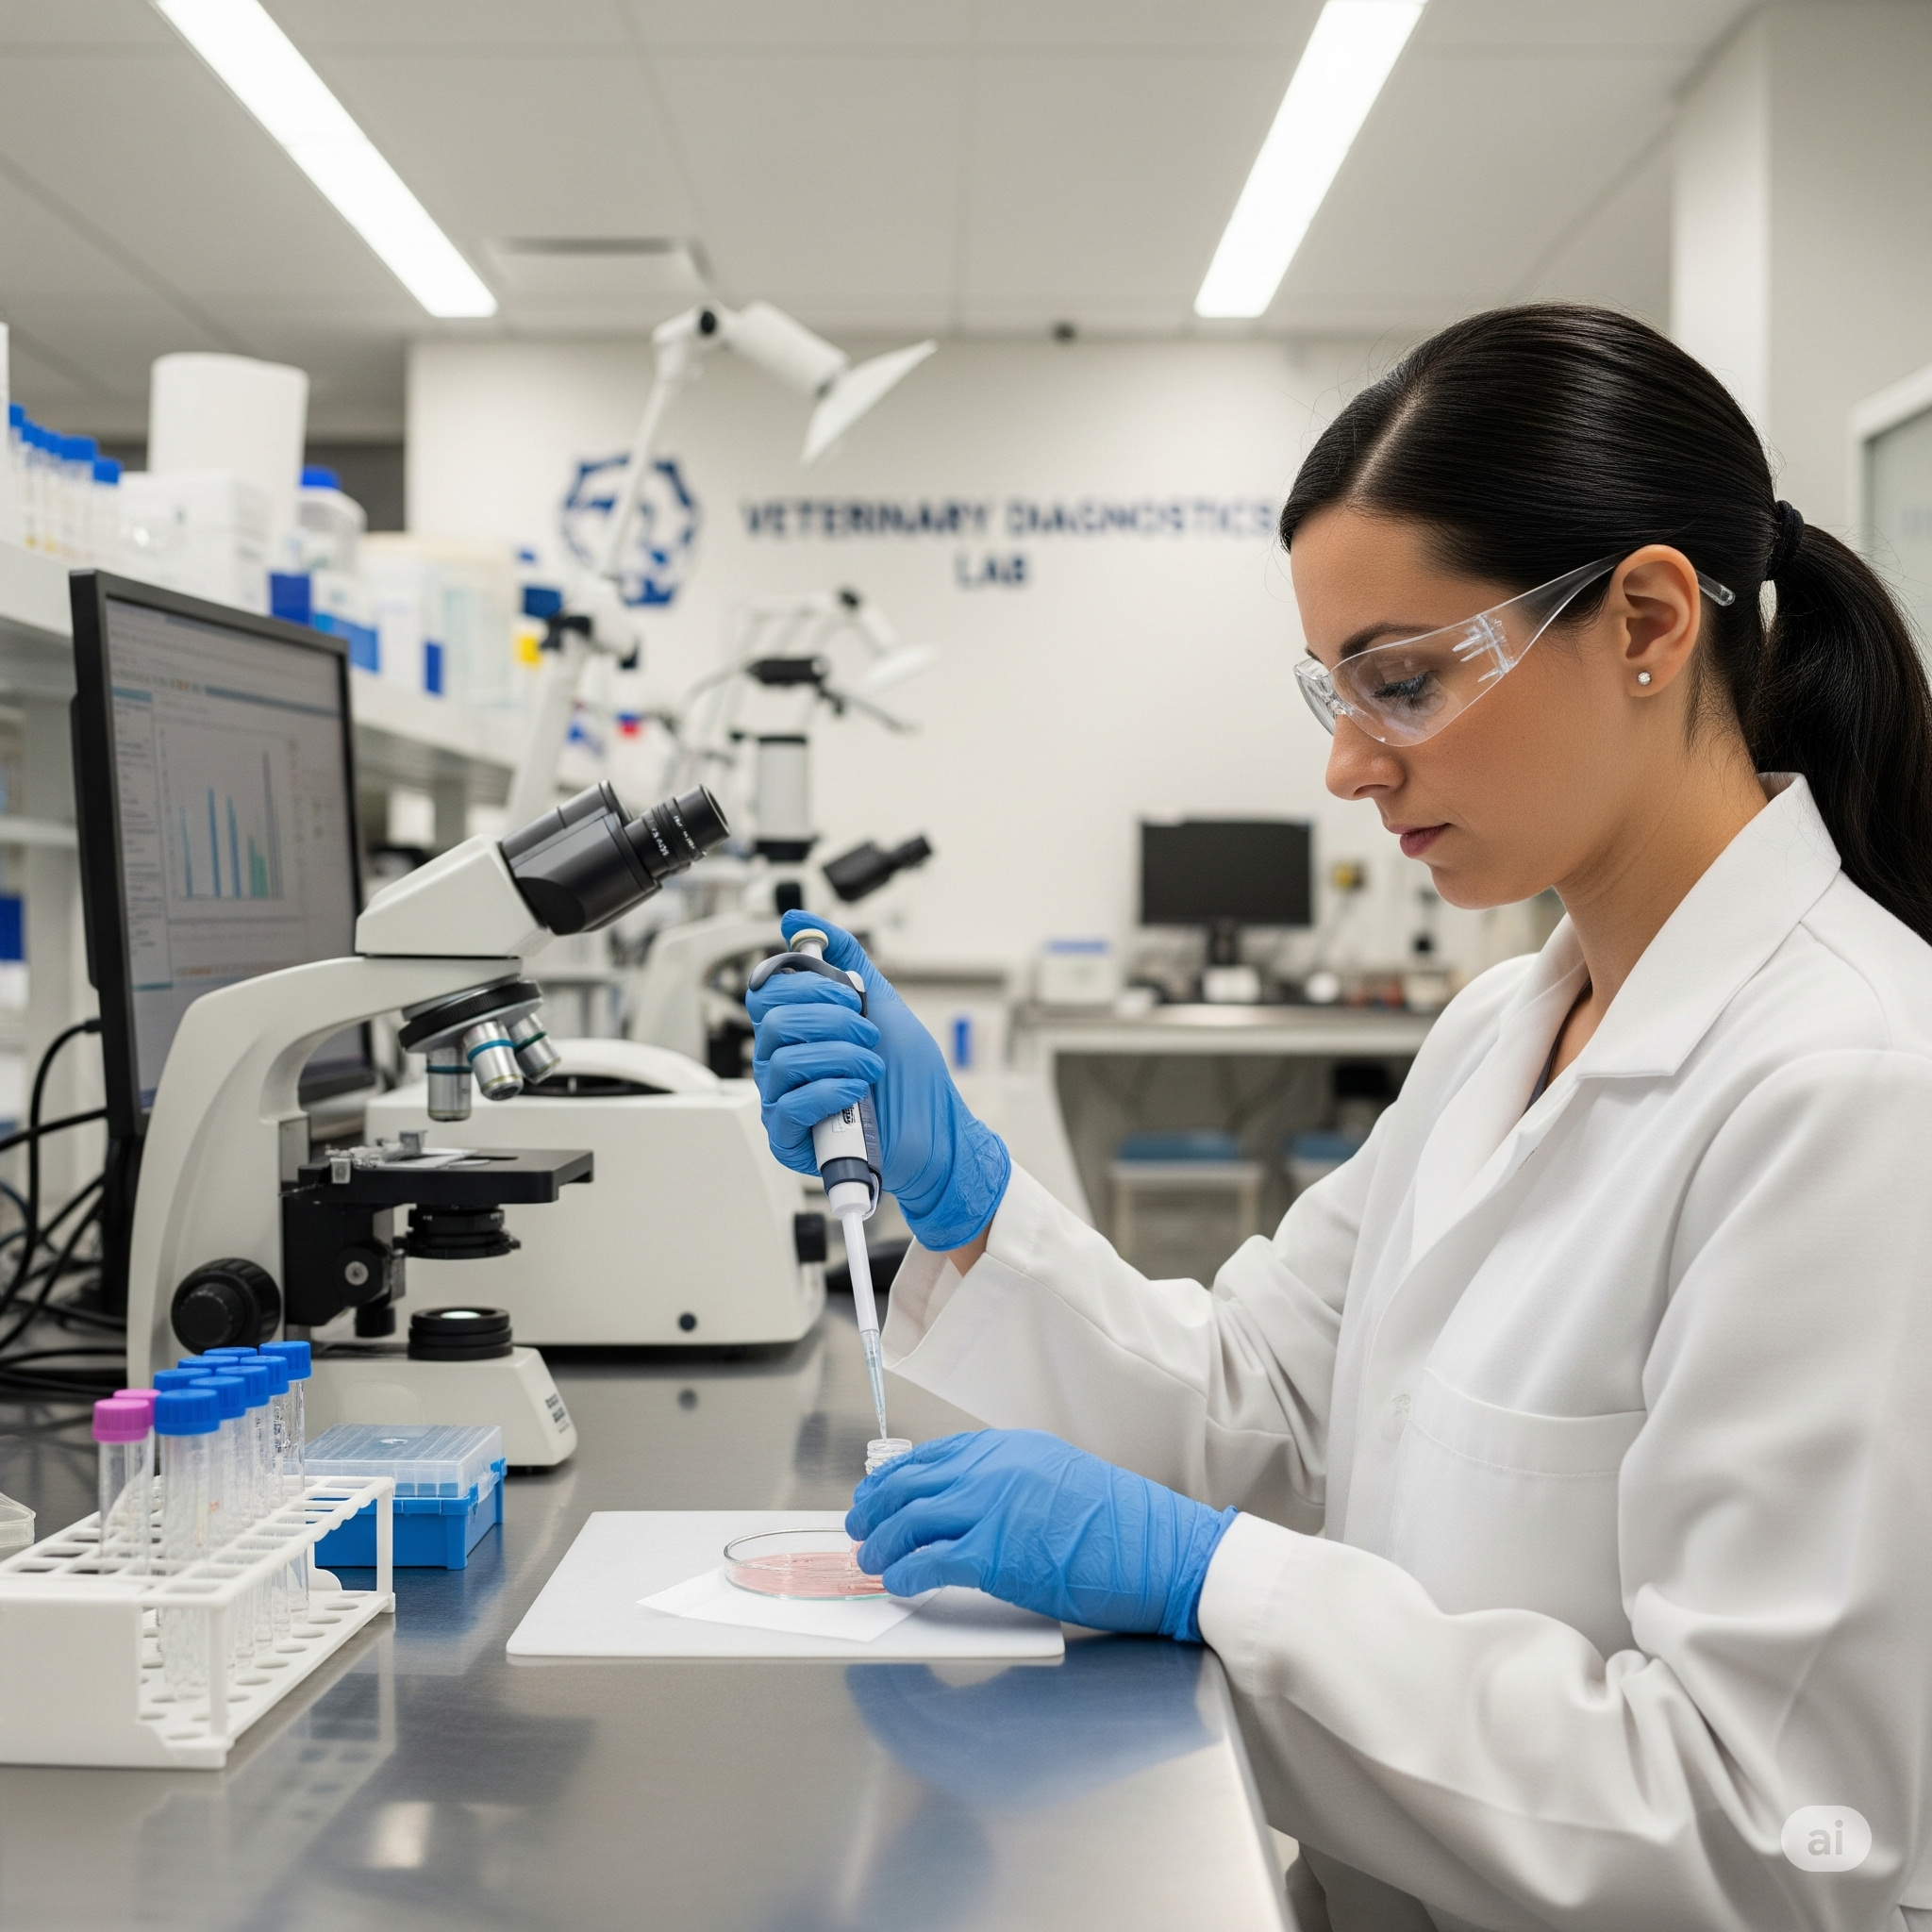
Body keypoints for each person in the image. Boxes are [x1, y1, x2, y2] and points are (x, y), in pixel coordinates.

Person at [746, 305, 1932, 1932]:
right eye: (1336, 692)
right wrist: (967, 1201)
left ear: (1649, 620)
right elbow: (1266, 1406)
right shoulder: (1494, 1029)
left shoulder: (1852, 1090)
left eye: (1406, 681)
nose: (1352, 768)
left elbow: (1777, 1833)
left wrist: (1210, 1579)